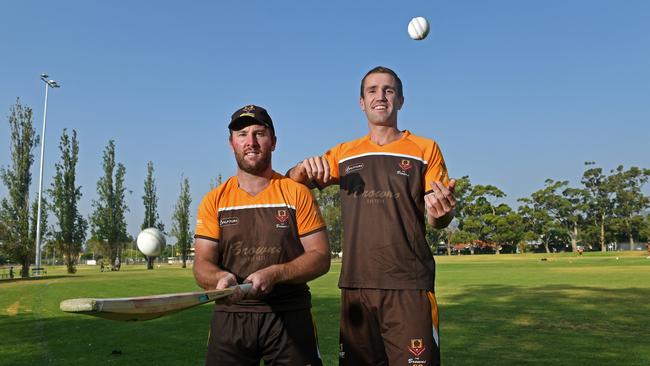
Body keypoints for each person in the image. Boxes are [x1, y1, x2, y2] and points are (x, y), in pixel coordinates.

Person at [287, 66, 456, 366]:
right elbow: (293, 184)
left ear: (401, 100)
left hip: (409, 285)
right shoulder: (344, 153)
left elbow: (436, 217)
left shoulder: (425, 149)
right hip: (356, 287)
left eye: (389, 90)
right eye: (372, 90)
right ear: (362, 102)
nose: (381, 96)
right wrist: (302, 167)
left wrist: (442, 214)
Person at [193, 104, 331, 366]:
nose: (251, 142)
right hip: (231, 316)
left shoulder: (296, 193)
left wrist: (276, 273)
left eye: (260, 133)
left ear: (274, 142)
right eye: (242, 134)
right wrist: (219, 278)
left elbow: (321, 256)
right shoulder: (214, 200)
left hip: (290, 314)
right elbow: (201, 264)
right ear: (231, 143)